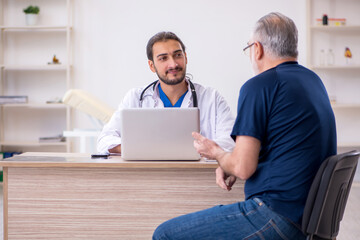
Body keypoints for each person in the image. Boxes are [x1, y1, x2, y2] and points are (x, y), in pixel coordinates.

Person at [152, 13, 336, 240]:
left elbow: (242, 168)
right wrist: (229, 162)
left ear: (256, 49)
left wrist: (217, 153)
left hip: (274, 214)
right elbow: (284, 147)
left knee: (164, 234)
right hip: (309, 220)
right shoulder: (312, 81)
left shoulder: (259, 86)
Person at [97, 31, 235, 154]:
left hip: (197, 177)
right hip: (149, 176)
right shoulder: (135, 98)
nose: (173, 64)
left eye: (178, 55)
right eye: (163, 58)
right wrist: (141, 149)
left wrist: (199, 148)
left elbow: (230, 141)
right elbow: (104, 140)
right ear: (152, 66)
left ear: (186, 58)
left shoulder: (211, 98)